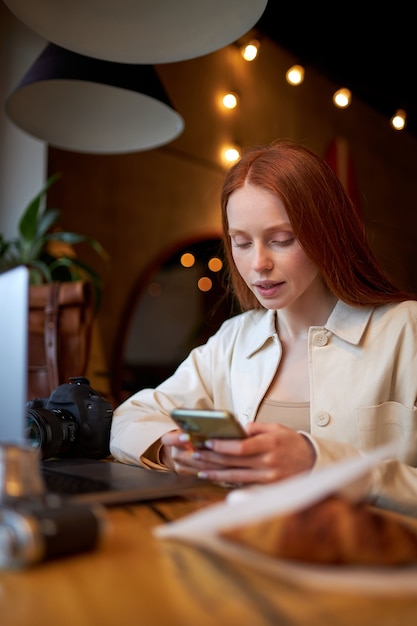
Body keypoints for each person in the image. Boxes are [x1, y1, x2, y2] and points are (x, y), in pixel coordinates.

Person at [110, 140, 417, 515]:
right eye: (241, 242)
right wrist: (170, 447)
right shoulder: (235, 340)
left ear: (327, 232)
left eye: (281, 240)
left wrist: (320, 463)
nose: (258, 263)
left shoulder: (406, 329)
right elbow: (129, 417)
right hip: (251, 553)